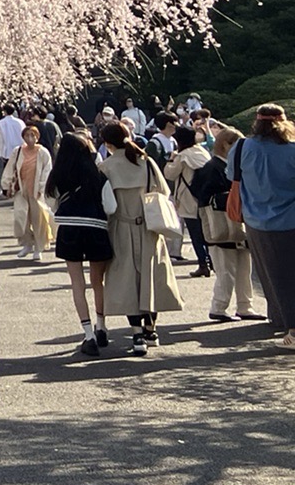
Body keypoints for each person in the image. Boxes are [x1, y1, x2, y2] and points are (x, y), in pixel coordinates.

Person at [99, 120, 184, 356]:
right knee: (151, 278)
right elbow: (163, 192)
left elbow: (105, 203)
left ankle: (136, 333)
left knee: (127, 281)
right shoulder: (145, 161)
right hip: (149, 226)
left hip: (121, 227)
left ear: (107, 143)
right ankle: (151, 328)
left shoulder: (106, 167)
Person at [231, 104, 295, 349]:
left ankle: (284, 322)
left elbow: (234, 178)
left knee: (270, 273)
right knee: (290, 275)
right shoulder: (291, 150)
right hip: (290, 218)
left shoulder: (242, 147)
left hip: (256, 220)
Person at [48, 131, 114, 356]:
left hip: (69, 228)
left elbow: (51, 202)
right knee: (98, 281)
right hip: (96, 227)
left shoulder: (58, 175)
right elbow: (111, 206)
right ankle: (102, 326)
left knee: (77, 282)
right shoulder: (98, 175)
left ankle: (88, 335)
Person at [194, 126, 263, 324]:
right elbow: (204, 197)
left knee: (243, 268)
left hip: (232, 225)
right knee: (226, 270)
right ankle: (219, 307)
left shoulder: (221, 166)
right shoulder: (212, 168)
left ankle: (245, 305)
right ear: (227, 145)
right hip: (221, 225)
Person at [165, 124, 213, 279]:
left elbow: (170, 174)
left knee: (196, 234)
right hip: (206, 198)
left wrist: (170, 159)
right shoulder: (202, 152)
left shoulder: (182, 156)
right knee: (208, 233)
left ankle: (203, 264)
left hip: (189, 200)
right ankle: (213, 262)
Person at [0, 125, 53, 260]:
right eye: (27, 135)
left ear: (37, 137)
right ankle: (27, 243)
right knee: (20, 218)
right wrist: (6, 185)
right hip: (21, 190)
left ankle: (38, 248)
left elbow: (47, 171)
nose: (30, 138)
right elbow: (10, 168)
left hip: (36, 192)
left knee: (38, 220)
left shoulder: (43, 152)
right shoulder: (18, 151)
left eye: (32, 135)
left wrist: (42, 188)